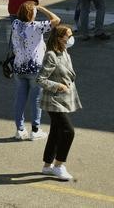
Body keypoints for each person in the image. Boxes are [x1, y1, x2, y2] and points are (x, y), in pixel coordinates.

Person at [37, 25, 81, 181]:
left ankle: (47, 166)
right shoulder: (51, 55)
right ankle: (59, 165)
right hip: (53, 100)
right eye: (68, 36)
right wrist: (58, 86)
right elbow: (40, 79)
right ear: (59, 38)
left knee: (56, 131)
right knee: (68, 131)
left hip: (63, 99)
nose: (71, 39)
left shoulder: (65, 52)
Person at [11, 1, 61, 141]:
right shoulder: (37, 27)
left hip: (19, 67)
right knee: (36, 100)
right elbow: (56, 20)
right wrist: (42, 9)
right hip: (35, 68)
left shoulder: (15, 24)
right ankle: (35, 130)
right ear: (32, 14)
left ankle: (20, 130)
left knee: (20, 99)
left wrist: (31, 8)